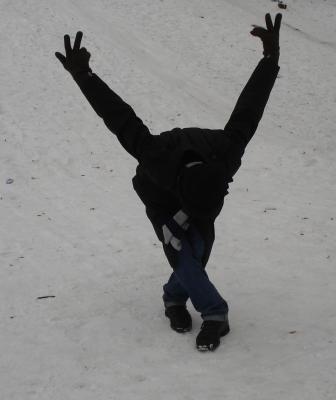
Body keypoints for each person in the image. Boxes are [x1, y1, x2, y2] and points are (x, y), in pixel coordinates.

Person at [55, 13, 282, 351]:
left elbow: (250, 107)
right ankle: (216, 314)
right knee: (181, 249)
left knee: (200, 250)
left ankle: (173, 297)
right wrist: (83, 74)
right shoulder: (155, 155)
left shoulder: (225, 154)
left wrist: (270, 58)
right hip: (160, 198)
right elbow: (118, 115)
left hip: (200, 189)